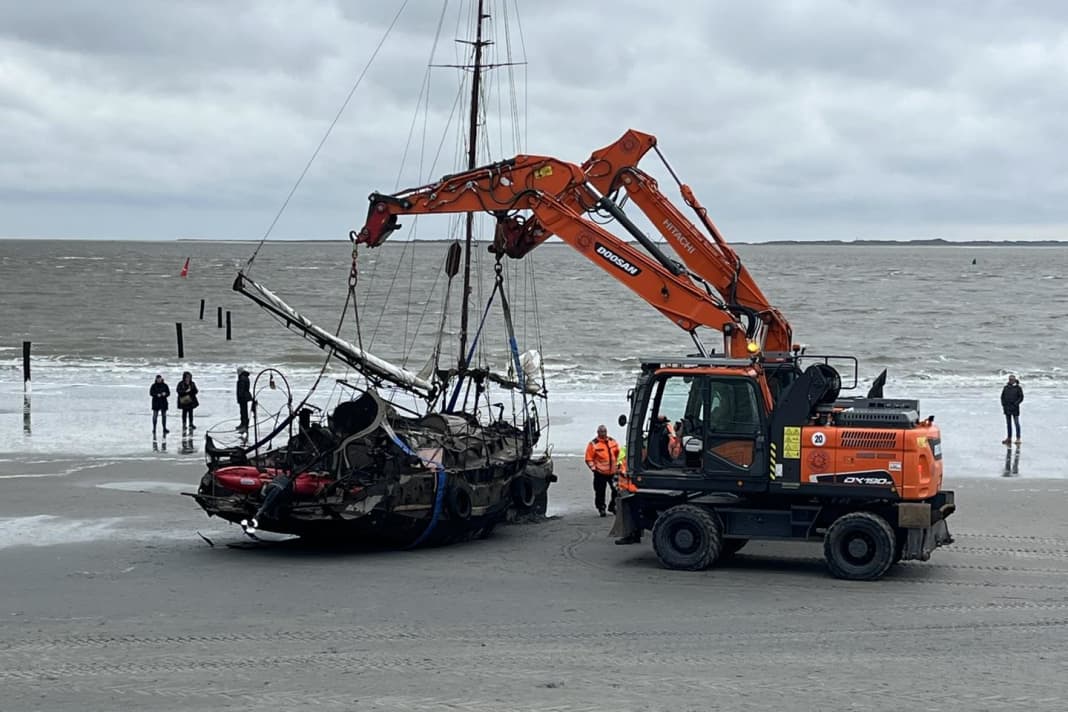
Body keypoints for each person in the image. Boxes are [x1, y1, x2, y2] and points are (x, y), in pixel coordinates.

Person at [584, 424, 621, 517]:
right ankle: (601, 508)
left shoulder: (612, 441)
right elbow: (588, 458)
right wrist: (593, 469)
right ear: (598, 432)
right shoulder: (593, 444)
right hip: (600, 472)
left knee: (616, 490)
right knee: (600, 492)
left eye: (604, 431)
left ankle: (613, 506)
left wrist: (619, 465)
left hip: (613, 472)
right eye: (601, 432)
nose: (603, 433)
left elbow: (618, 454)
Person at [1000, 374, 1023, 445]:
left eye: (1012, 379)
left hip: (1015, 408)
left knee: (1016, 423)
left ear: (1014, 380)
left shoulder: (1018, 388)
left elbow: (1021, 397)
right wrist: (1004, 405)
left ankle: (1018, 438)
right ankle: (1009, 438)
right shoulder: (1006, 387)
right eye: (1009, 379)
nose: (1010, 381)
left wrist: (1016, 403)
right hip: (1007, 408)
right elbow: (1002, 397)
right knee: (1008, 424)